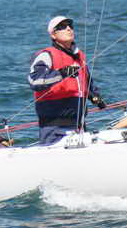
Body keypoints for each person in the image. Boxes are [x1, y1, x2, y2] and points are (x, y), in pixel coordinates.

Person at [28, 16, 108, 145]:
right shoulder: (46, 55)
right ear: (53, 35)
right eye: (62, 27)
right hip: (54, 128)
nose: (68, 28)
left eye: (70, 25)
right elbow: (34, 81)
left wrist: (94, 97)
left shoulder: (79, 57)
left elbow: (86, 83)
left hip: (79, 125)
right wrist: (62, 73)